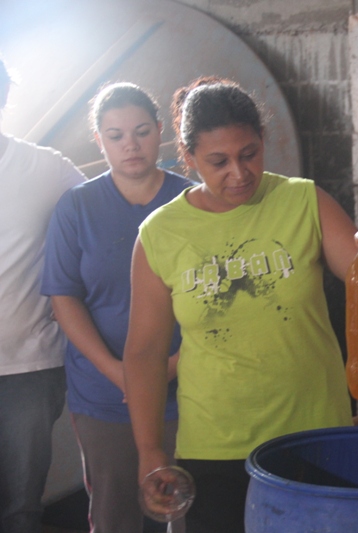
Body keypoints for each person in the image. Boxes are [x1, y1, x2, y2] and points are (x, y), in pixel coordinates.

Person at [123, 77, 358, 533]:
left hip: (316, 433)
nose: (239, 173)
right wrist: (150, 449)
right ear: (188, 155)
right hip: (215, 445)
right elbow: (144, 353)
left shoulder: (302, 200)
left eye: (249, 154)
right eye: (218, 161)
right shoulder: (161, 234)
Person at [40, 83, 193, 533]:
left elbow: (215, 298)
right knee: (114, 514)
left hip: (188, 388)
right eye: (116, 135)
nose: (131, 145)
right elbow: (63, 298)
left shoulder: (194, 202)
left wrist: (171, 366)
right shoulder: (77, 207)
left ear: (161, 132)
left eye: (142, 131)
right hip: (103, 395)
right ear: (100, 140)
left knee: (188, 509)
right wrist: (117, 371)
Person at [0, 58, 86, 533]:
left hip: (27, 371)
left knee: (21, 509)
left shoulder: (44, 168)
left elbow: (110, 208)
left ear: (5, 94)